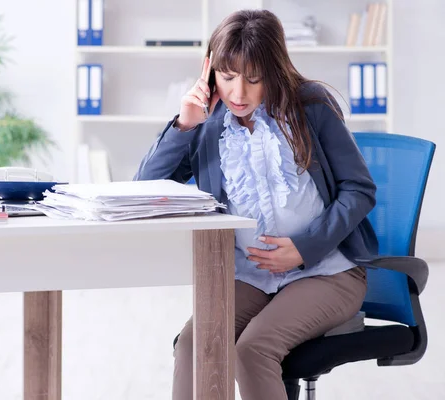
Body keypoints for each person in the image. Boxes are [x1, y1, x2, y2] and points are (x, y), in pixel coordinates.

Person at [134, 9, 379, 400]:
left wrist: (304, 248)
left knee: (252, 350)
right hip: (251, 276)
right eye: (228, 77)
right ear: (210, 71)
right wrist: (185, 123)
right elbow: (145, 188)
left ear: (274, 71)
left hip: (326, 273)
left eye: (253, 79)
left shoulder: (312, 108)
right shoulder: (210, 122)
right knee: (193, 345)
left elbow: (359, 190)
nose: (239, 93)